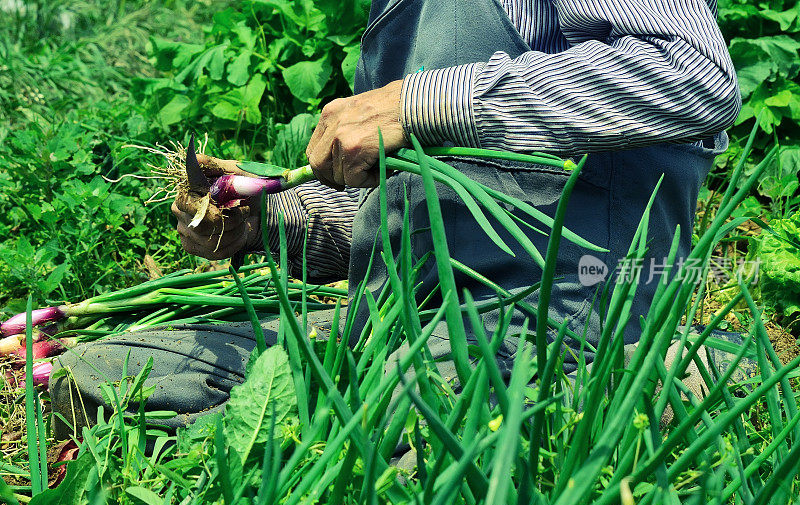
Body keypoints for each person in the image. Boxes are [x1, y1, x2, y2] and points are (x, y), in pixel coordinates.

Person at [52, 0, 742, 435]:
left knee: (383, 431)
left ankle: (663, 370)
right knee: (102, 371)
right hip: (400, 321)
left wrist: (422, 102)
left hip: (545, 313)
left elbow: (694, 73)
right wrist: (264, 224)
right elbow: (414, 206)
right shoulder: (399, 13)